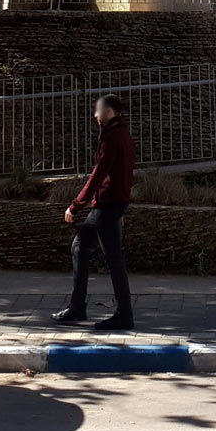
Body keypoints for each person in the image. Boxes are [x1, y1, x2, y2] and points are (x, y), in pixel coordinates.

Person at [52, 93, 135, 331]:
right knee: (80, 246)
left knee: (113, 261)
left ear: (108, 112)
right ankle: (78, 307)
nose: (95, 116)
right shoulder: (123, 136)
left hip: (107, 207)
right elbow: (125, 174)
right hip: (109, 206)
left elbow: (98, 176)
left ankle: (123, 314)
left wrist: (75, 205)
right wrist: (122, 206)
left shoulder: (112, 138)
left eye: (98, 111)